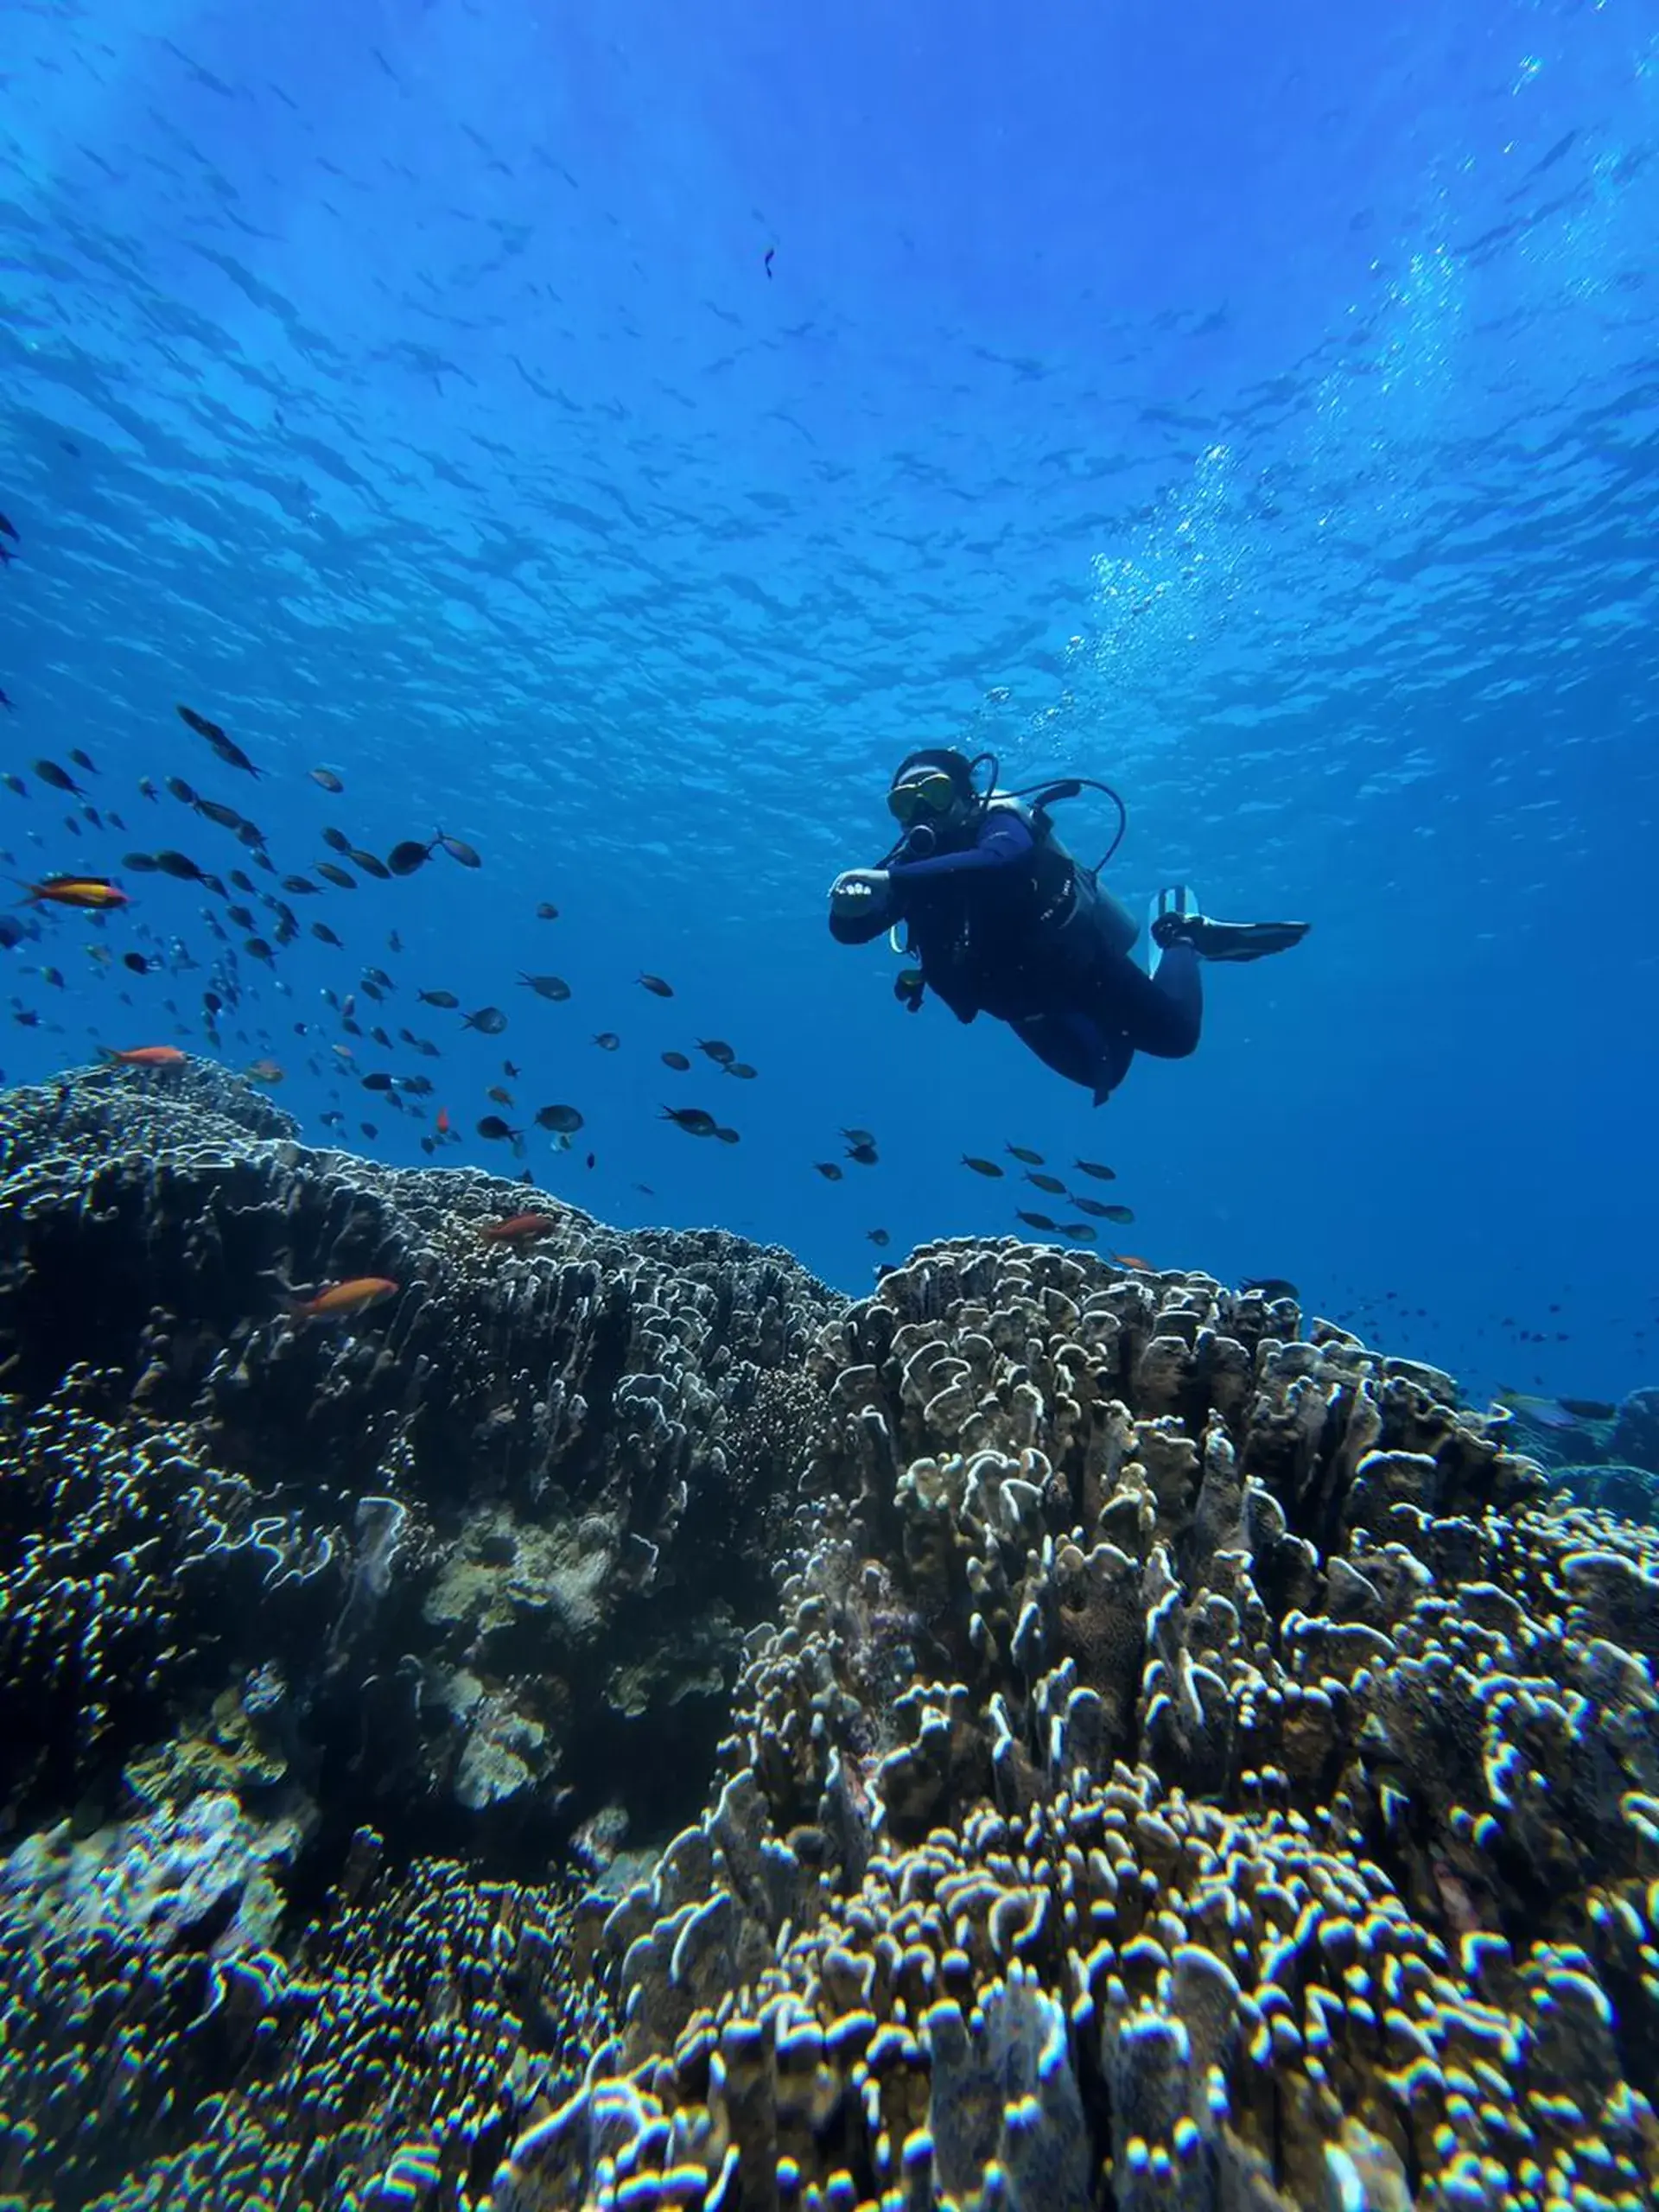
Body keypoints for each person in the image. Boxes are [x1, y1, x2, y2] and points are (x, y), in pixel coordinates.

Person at [827, 747, 1308, 1105]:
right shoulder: (911, 869)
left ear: (965, 795)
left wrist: (890, 878)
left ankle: (1178, 934)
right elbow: (851, 931)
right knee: (1107, 1074)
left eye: (934, 792)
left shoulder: (997, 823)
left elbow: (1004, 860)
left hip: (1081, 969)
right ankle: (1118, 1018)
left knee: (1177, 1039)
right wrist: (849, 910)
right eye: (905, 803)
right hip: (1021, 1006)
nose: (922, 812)